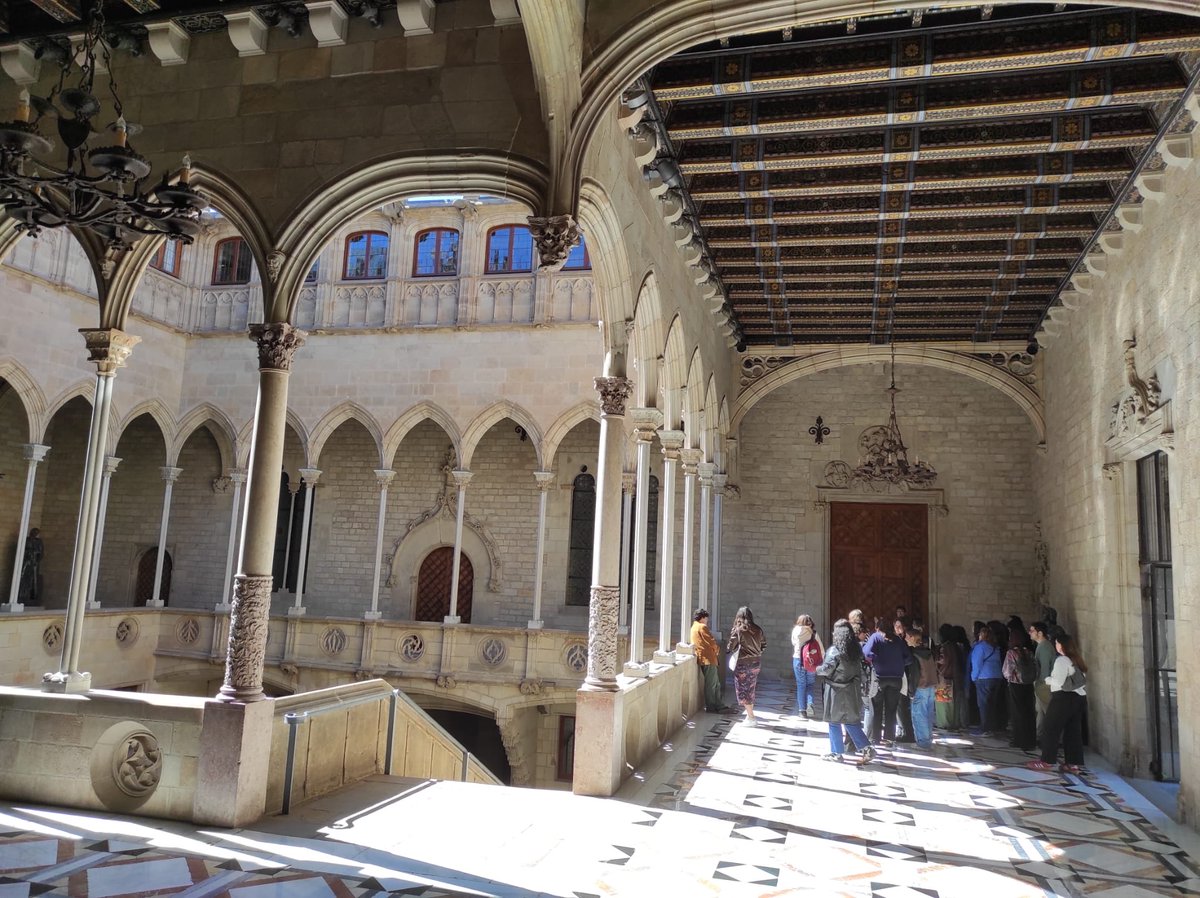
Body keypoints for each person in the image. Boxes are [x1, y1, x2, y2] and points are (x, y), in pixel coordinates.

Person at [816, 619, 874, 765]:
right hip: (852, 690)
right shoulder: (856, 651)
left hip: (836, 691)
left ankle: (836, 753)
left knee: (833, 721)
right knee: (851, 721)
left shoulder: (834, 651)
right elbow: (862, 673)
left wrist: (815, 669)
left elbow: (826, 669)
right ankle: (867, 748)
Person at [1028, 634, 1088, 773]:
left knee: (1050, 727)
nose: (1056, 645)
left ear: (1061, 645)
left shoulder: (1062, 660)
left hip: (1063, 698)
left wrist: (1048, 679)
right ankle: (1073, 764)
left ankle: (1046, 761)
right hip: (1079, 698)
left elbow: (1059, 682)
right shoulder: (1077, 659)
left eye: (1056, 643)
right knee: (1073, 731)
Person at [863, 616, 912, 745]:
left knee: (876, 707)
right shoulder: (898, 640)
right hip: (896, 678)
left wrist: (876, 659)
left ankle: (875, 738)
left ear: (878, 628)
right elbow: (908, 658)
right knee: (892, 709)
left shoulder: (875, 637)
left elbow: (866, 652)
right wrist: (898, 663)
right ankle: (889, 738)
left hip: (879, 678)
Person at [727, 606, 766, 725]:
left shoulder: (739, 630)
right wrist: (756, 653)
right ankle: (750, 715)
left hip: (743, 663)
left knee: (743, 690)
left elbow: (730, 647)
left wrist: (734, 634)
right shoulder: (758, 629)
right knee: (751, 688)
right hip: (756, 662)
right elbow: (764, 645)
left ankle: (751, 717)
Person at [1002, 623, 1038, 751]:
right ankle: (1030, 740)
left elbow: (1007, 671)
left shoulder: (1011, 653)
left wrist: (1010, 678)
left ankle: (1019, 739)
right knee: (1028, 712)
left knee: (1017, 712)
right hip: (1028, 684)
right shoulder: (1028, 651)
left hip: (1015, 685)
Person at [970, 623, 1004, 735]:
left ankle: (984, 728)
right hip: (997, 677)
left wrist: (974, 677)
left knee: (983, 704)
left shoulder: (980, 647)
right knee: (992, 704)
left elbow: (977, 663)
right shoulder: (995, 647)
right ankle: (991, 727)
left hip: (984, 677)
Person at [906, 626, 937, 750]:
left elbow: (915, 675)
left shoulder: (914, 655)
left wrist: (911, 691)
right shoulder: (928, 652)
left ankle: (923, 742)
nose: (906, 639)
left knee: (919, 715)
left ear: (913, 638)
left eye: (907, 637)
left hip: (920, 687)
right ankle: (928, 739)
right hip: (930, 686)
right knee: (928, 714)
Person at [690, 609, 723, 713]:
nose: (707, 620)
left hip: (703, 658)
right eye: (706, 618)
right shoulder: (702, 627)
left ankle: (718, 704)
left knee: (715, 683)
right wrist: (717, 649)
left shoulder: (694, 627)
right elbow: (711, 641)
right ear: (702, 617)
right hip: (708, 659)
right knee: (712, 684)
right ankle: (711, 705)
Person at [791, 613, 823, 719]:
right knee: (810, 685)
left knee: (801, 685)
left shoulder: (795, 631)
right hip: (811, 662)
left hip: (798, 660)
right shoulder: (813, 633)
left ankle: (802, 711)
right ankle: (810, 703)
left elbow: (793, 642)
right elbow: (821, 649)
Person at [1030, 621, 1056, 739]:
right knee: (1040, 712)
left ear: (1040, 633)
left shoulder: (1045, 647)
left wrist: (1041, 684)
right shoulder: (1041, 645)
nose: (1030, 633)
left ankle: (1055, 738)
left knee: (1049, 713)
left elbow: (1045, 669)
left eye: (1032, 630)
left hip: (1044, 685)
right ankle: (1039, 736)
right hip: (1041, 684)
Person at [17, 527, 43, 606]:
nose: (34, 534)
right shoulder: (26, 540)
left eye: (36, 533)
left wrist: (36, 560)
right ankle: (21, 596)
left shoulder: (39, 542)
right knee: (22, 578)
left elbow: (41, 553)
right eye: (33, 532)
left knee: (32, 580)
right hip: (26, 562)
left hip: (33, 563)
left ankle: (31, 597)